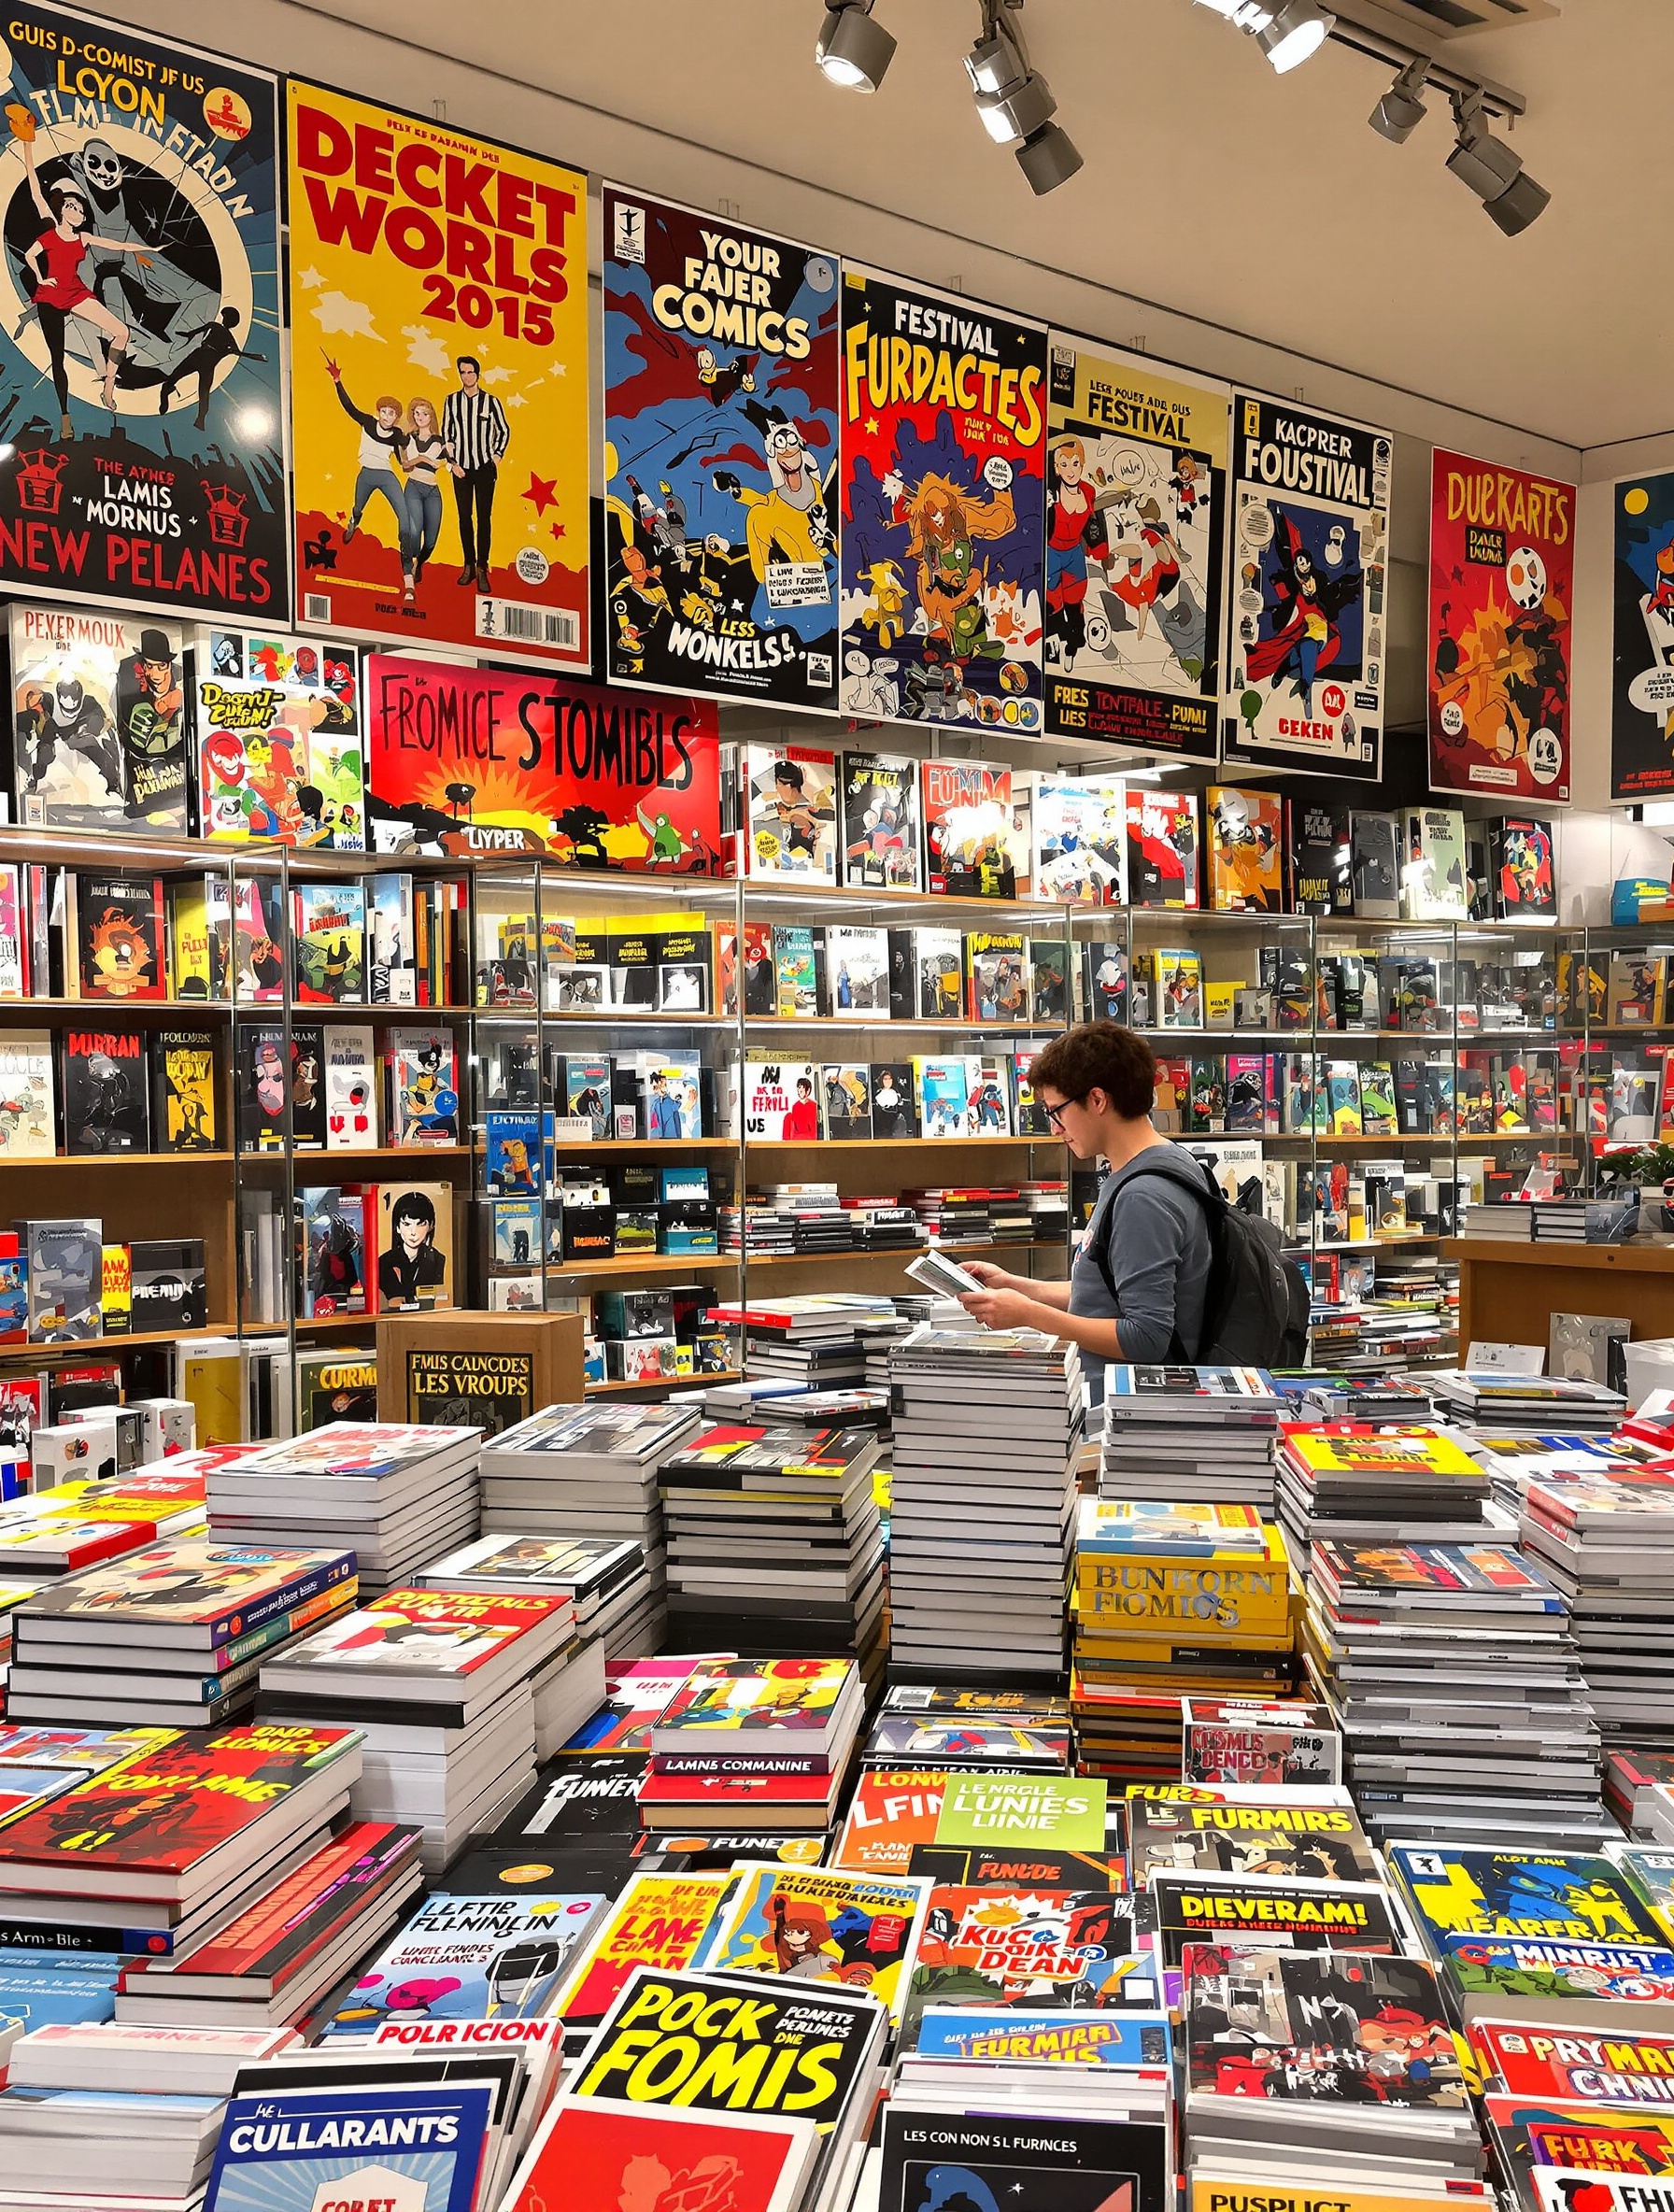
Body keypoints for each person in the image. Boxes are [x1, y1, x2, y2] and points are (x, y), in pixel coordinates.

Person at [960, 1020, 1212, 1362]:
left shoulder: (1144, 1196)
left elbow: (1147, 1337)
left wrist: (1030, 1315)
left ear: (1096, 1100)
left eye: (1057, 1112)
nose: (1053, 1128)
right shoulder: (1161, 1164)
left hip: (1123, 1403)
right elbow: (1107, 1295)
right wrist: (1015, 1286)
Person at [11, 107, 148, 431]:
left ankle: (109, 386)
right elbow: (34, 190)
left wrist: (146, 249)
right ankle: (65, 416)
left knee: (121, 330)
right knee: (57, 358)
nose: (75, 208)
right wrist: (28, 145)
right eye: (70, 205)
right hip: (48, 296)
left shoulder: (84, 236)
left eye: (79, 206)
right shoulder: (48, 225)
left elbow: (118, 246)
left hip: (74, 294)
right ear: (62, 210)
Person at [325, 359, 410, 572]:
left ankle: (406, 547)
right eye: (384, 411)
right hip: (366, 475)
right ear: (378, 411)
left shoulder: (397, 434)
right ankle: (354, 521)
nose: (387, 417)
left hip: (387, 476)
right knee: (358, 506)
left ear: (396, 418)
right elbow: (349, 407)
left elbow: (402, 460)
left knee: (403, 511)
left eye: (392, 414)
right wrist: (337, 380)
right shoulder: (368, 421)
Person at [442, 354, 509, 592]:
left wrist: (496, 458)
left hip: (483, 468)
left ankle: (482, 567)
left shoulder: (491, 402)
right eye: (462, 372)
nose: (466, 376)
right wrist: (452, 463)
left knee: (484, 518)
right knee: (464, 518)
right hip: (460, 469)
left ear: (477, 374)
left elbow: (503, 431)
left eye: (470, 372)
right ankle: (468, 564)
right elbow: (447, 435)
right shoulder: (451, 401)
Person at [398, 395, 451, 601]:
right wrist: (421, 458)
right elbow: (405, 466)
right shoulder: (409, 438)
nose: (420, 417)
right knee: (413, 531)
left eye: (424, 413)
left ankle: (419, 563)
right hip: (413, 486)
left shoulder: (440, 441)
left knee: (430, 541)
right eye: (416, 413)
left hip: (432, 491)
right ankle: (409, 581)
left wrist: (422, 459)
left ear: (431, 416)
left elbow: (441, 464)